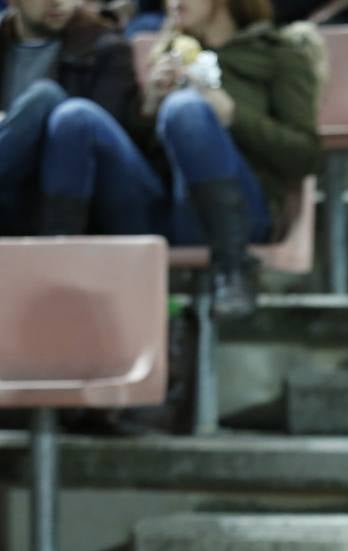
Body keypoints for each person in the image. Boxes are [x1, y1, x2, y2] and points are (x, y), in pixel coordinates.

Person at [38, 0, 321, 316]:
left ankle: (233, 269)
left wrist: (232, 116)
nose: (172, 2)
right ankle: (58, 271)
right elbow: (137, 156)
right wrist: (150, 107)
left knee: (185, 109)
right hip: (161, 209)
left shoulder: (278, 52)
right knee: (74, 116)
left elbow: (305, 156)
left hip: (238, 215)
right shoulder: (168, 52)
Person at [0, 0, 145, 234]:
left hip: (82, 199)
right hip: (12, 197)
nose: (58, 2)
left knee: (49, 99)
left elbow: (96, 141)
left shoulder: (105, 45)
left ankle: (58, 250)